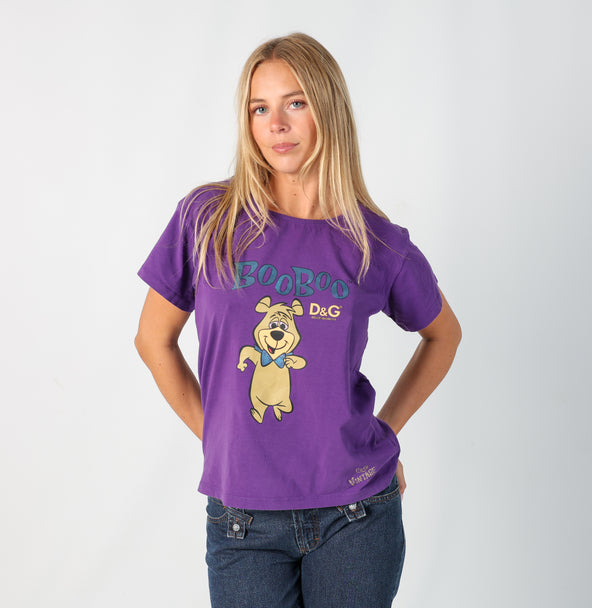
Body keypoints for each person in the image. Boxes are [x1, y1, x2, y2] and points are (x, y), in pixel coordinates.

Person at [135, 32, 461, 608]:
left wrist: (385, 432)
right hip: (243, 521)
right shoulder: (207, 219)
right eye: (259, 108)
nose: (276, 125)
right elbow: (152, 340)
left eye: (295, 103)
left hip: (355, 514)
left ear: (327, 108)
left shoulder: (376, 243)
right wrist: (219, 438)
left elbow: (443, 335)